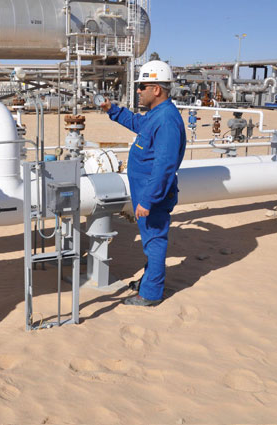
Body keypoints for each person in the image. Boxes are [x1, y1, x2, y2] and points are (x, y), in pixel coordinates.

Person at [100, 60, 186, 306]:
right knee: (151, 240)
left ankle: (150, 293)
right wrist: (112, 109)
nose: (138, 91)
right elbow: (138, 124)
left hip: (153, 195)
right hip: (147, 191)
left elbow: (165, 165)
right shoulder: (156, 115)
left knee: (154, 241)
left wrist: (148, 199)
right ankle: (150, 280)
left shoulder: (167, 119)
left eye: (142, 86)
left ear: (156, 89)